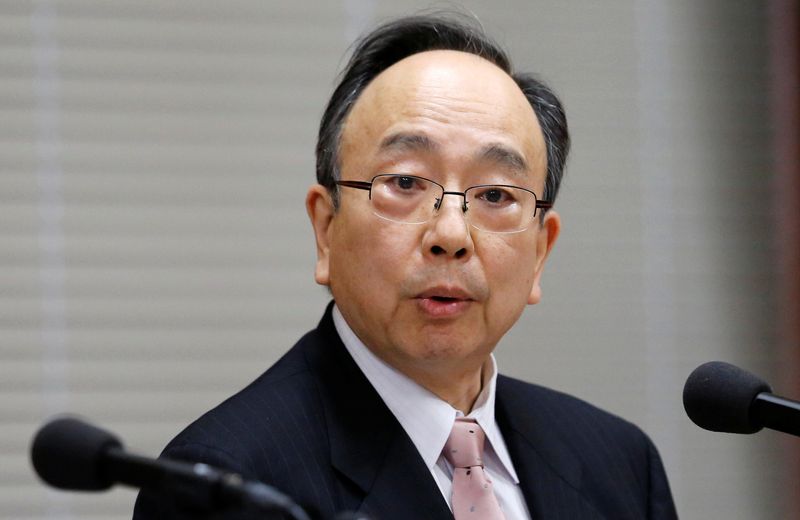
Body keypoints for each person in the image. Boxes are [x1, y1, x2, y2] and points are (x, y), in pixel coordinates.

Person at [134, 13, 677, 520]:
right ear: (325, 230)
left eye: (494, 193)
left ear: (541, 252)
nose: (451, 235)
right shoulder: (227, 486)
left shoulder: (621, 465)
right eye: (406, 183)